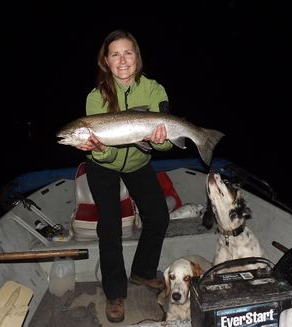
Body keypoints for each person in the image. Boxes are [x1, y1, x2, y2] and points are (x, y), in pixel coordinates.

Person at [77, 30, 172, 323]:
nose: (122, 60)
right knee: (110, 225)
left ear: (137, 57)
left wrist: (160, 140)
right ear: (106, 61)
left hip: (138, 162)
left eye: (128, 53)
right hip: (103, 165)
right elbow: (101, 154)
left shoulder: (155, 90)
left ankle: (143, 272)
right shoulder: (96, 97)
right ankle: (115, 293)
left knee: (158, 216)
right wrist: (99, 149)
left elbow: (167, 142)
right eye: (115, 54)